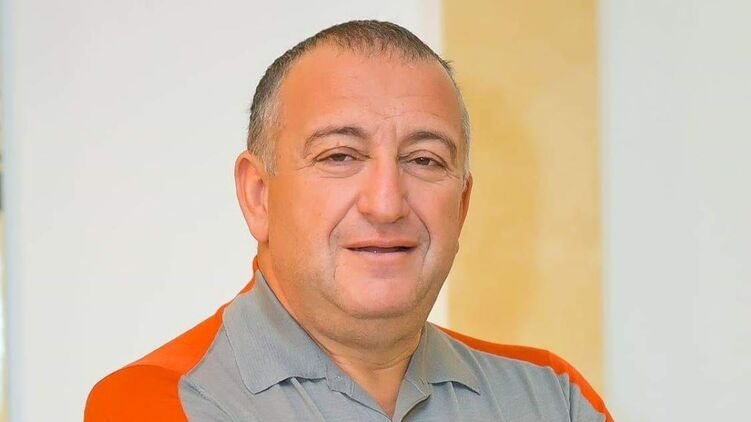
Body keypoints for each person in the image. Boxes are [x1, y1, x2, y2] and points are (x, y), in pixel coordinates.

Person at [85, 20, 613, 421]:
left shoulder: (551, 397)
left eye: (424, 160)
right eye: (339, 156)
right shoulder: (163, 402)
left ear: (462, 205)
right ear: (259, 194)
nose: (386, 204)